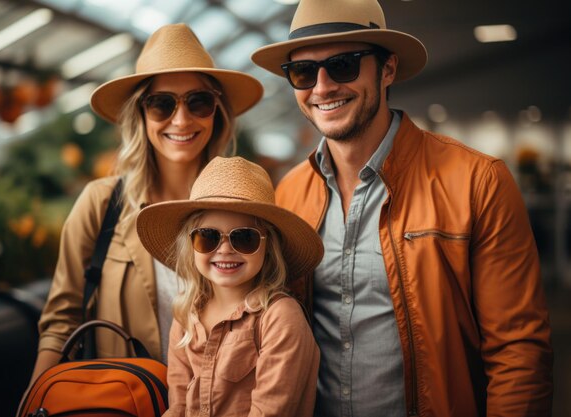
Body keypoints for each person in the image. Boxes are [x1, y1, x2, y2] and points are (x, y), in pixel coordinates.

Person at [251, 0, 553, 416]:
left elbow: (518, 352)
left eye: (343, 65)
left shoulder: (477, 181)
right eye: (303, 72)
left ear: (387, 69)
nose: (321, 87)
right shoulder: (287, 193)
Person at [28, 23, 263, 383]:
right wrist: (35, 399)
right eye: (161, 104)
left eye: (199, 102)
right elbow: (61, 321)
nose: (181, 120)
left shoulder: (246, 208)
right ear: (140, 113)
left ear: (217, 111)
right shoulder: (101, 203)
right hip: (124, 402)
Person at [136, 156, 323, 417]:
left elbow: (271, 411)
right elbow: (177, 405)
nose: (225, 250)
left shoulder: (279, 318)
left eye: (244, 238)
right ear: (190, 245)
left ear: (268, 247)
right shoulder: (186, 315)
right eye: (208, 237)